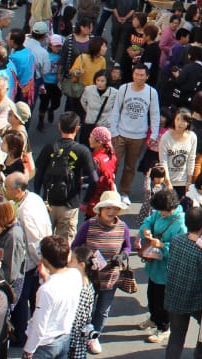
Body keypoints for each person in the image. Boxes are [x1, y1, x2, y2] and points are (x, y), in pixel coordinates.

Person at [73, 190, 132, 355]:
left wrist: (123, 255)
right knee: (86, 307)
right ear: (100, 209)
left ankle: (94, 336)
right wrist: (84, 259)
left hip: (110, 277)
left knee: (102, 310)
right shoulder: (89, 225)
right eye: (108, 208)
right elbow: (75, 245)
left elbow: (128, 246)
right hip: (90, 277)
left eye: (115, 209)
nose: (111, 212)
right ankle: (81, 333)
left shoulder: (123, 227)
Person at [161, 206, 202, 359]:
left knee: (176, 335)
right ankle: (200, 356)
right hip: (197, 299)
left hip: (175, 295)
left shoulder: (176, 241)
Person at [3, 172, 52, 346]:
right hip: (37, 262)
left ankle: (23, 336)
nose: (4, 190)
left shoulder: (25, 212)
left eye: (6, 187)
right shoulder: (33, 198)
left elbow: (34, 242)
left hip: (31, 265)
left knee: (22, 302)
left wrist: (41, 265)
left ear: (17, 190)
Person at [33, 110, 97, 240]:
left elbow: (38, 173)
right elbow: (94, 179)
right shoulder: (82, 151)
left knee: (45, 241)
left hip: (48, 202)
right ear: (77, 128)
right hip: (70, 204)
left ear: (59, 126)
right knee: (64, 245)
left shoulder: (49, 148)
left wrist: (39, 197)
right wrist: (85, 201)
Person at [138, 189, 187, 344]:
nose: (160, 214)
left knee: (162, 300)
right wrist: (145, 229)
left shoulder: (181, 224)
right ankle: (153, 318)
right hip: (155, 264)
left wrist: (161, 245)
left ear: (171, 208)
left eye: (163, 211)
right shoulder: (160, 212)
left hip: (166, 269)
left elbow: (178, 248)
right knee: (152, 295)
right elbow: (149, 220)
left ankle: (164, 328)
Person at [108, 63, 160, 202]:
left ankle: (124, 192)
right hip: (120, 133)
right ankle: (109, 190)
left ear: (147, 77)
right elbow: (115, 111)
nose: (139, 77)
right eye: (136, 74)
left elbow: (155, 115)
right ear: (132, 74)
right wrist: (114, 132)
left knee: (130, 167)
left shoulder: (151, 92)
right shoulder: (124, 89)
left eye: (142, 75)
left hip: (139, 136)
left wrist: (154, 135)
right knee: (113, 165)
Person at [64, 246, 97, 359]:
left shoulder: (77, 288)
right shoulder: (89, 285)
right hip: (80, 340)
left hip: (70, 339)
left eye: (72, 260)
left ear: (81, 265)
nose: (69, 263)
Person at [159, 108, 197, 197]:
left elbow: (191, 159)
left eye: (184, 120)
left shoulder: (192, 137)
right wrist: (168, 183)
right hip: (168, 180)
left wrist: (189, 181)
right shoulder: (166, 137)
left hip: (183, 181)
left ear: (188, 123)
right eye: (178, 119)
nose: (180, 123)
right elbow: (163, 162)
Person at [85, 126, 118, 217]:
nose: (89, 139)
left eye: (91, 137)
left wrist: (85, 201)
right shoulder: (111, 155)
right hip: (108, 197)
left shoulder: (96, 160)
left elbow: (94, 182)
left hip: (96, 201)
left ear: (99, 142)